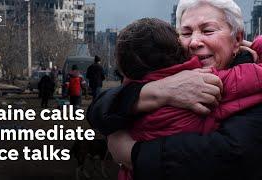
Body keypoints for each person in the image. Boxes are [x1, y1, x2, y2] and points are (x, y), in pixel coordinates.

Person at [87, 0, 262, 179]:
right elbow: (98, 109)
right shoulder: (164, 75)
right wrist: (157, 91)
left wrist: (131, 152)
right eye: (186, 33)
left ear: (238, 39)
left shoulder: (253, 91)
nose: (194, 42)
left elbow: (231, 155)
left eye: (208, 30)